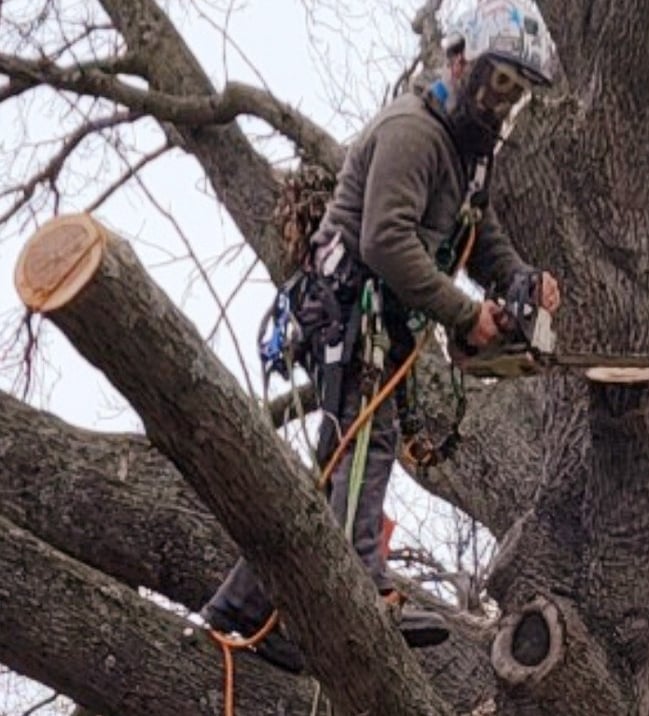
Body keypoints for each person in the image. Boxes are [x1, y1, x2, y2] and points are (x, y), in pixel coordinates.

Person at [201, 0, 561, 673]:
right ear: (461, 62)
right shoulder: (413, 132)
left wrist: (518, 282)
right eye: (498, 83)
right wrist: (464, 314)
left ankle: (241, 608)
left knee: (336, 465)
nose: (501, 103)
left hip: (381, 321)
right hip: (347, 310)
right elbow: (385, 240)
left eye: (516, 93)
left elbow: (478, 238)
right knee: (367, 443)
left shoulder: (469, 156)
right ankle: (360, 588)